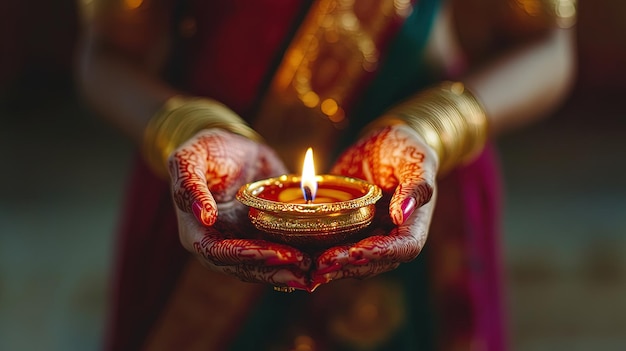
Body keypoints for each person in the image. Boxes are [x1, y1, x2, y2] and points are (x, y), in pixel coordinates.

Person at [76, 0, 577, 349]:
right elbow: (106, 55)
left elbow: (548, 46)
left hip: (416, 191)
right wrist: (188, 127)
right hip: (212, 190)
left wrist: (434, 127)